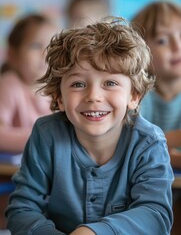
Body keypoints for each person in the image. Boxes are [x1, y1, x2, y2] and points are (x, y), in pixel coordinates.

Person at [6, 16, 174, 235]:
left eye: (110, 83)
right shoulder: (46, 134)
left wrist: (94, 232)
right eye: (78, 84)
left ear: (134, 95)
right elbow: (22, 208)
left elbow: (156, 214)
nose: (93, 96)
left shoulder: (149, 142)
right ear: (59, 97)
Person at [131, 1, 181, 235]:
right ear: (141, 51)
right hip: (140, 196)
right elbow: (133, 149)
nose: (177, 45)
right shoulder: (138, 96)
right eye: (162, 40)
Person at [0, 14, 56, 153]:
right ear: (12, 55)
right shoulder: (10, 84)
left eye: (53, 46)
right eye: (36, 45)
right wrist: (40, 137)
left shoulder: (60, 89)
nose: (46, 53)